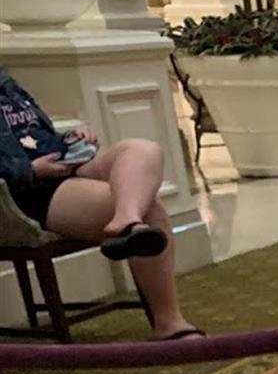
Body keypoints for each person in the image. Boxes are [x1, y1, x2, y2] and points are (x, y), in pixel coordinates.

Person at [0, 73, 199, 341]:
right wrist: (30, 169)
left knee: (144, 149)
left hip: (64, 166)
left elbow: (33, 135)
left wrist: (69, 139)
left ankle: (126, 220)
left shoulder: (7, 84)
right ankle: (169, 323)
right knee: (149, 208)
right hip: (27, 191)